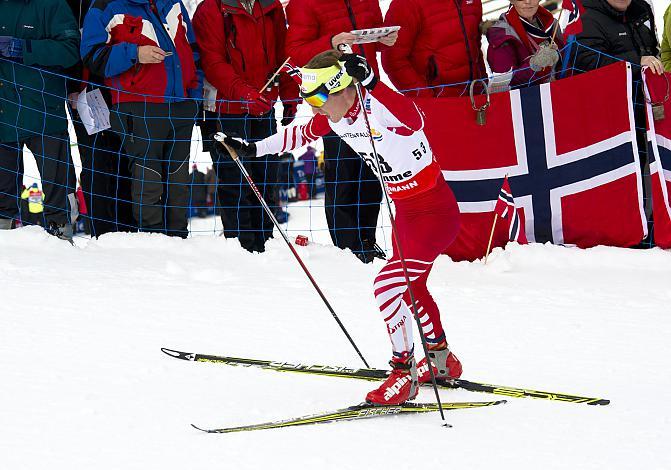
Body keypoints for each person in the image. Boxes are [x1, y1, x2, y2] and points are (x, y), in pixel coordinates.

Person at [214, 50, 462, 405]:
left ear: (343, 87)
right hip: (406, 212)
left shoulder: (377, 105)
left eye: (316, 98)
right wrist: (250, 149)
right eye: (306, 99)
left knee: (387, 287)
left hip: (434, 211)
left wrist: (373, 83)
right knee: (411, 288)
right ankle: (441, 360)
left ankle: (403, 371)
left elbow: (414, 122)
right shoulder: (335, 118)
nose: (313, 107)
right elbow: (297, 136)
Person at [285, 0, 396, 263]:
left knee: (371, 172)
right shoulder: (303, 4)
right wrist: (331, 42)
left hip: (368, 95)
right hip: (333, 99)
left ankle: (367, 241)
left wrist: (384, 39)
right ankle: (347, 248)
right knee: (343, 173)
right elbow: (295, 53)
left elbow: (369, 38)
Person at [81, 0, 202, 239]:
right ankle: (153, 244)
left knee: (179, 183)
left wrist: (194, 96)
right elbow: (92, 55)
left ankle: (178, 242)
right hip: (138, 106)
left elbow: (193, 50)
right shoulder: (107, 5)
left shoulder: (173, 3)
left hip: (181, 106)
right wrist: (134, 53)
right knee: (148, 181)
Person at [192, 0, 298, 253]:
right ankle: (242, 251)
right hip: (226, 111)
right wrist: (245, 94)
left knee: (266, 182)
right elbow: (212, 62)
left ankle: (267, 246)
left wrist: (290, 96)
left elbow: (285, 56)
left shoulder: (270, 6)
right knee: (235, 185)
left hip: (263, 108)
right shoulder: (211, 9)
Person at [0, 0, 80, 240]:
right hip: (4, 113)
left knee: (58, 183)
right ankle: (4, 237)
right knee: (3, 188)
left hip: (45, 112)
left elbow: (71, 50)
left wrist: (24, 47)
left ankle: (62, 233)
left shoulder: (53, 5)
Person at [65, 0, 134, 238]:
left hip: (126, 90)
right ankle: (103, 234)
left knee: (126, 162)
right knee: (97, 164)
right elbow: (72, 39)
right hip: (88, 92)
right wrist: (74, 84)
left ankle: (128, 231)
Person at [382, 0, 486, 97]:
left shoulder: (473, 2)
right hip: (438, 104)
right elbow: (393, 60)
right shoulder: (406, 4)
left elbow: (475, 46)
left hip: (478, 99)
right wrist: (426, 97)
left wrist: (485, 85)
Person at [486, 0, 565, 88]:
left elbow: (567, 63)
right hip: (529, 98)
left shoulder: (551, 23)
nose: (527, 1)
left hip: (559, 92)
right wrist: (534, 65)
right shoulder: (501, 35)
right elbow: (502, 86)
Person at [573, 0, 660, 76]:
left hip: (647, 91)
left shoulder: (638, 15)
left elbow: (654, 51)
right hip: (610, 92)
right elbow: (588, 63)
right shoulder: (588, 20)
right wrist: (636, 62)